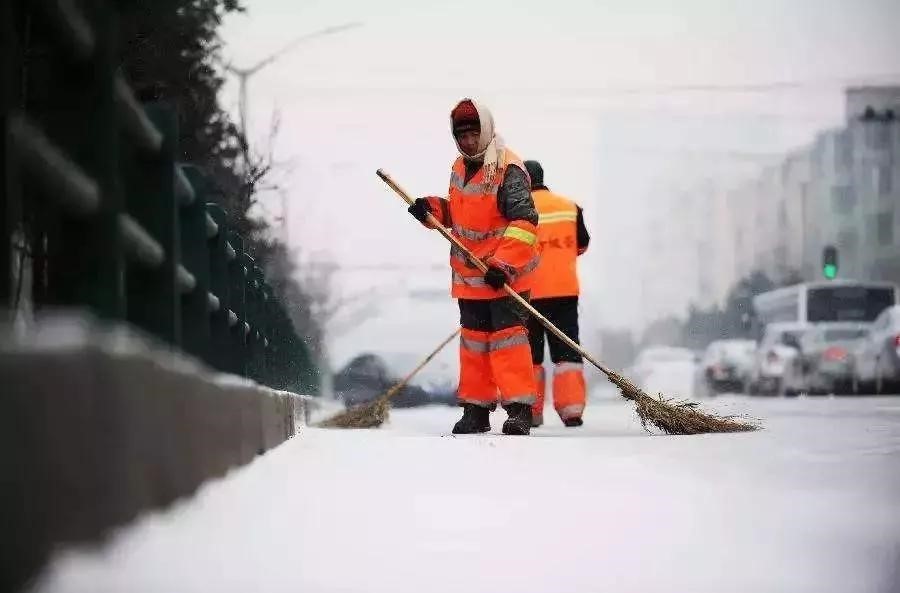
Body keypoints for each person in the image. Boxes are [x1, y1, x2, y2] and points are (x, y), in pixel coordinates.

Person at [407, 98, 539, 435]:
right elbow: (460, 214)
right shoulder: (459, 167)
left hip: (502, 278)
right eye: (461, 135)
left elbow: (524, 221)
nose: (467, 141)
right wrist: (431, 210)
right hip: (470, 279)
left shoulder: (508, 168)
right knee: (474, 347)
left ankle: (520, 410)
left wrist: (503, 264)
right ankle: (476, 410)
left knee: (509, 344)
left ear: (487, 130)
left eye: (473, 134)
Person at [523, 160, 590, 427]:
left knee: (530, 356)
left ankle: (531, 412)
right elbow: (582, 245)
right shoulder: (570, 207)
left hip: (527, 295)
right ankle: (572, 411)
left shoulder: (519, 210)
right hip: (564, 293)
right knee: (567, 353)